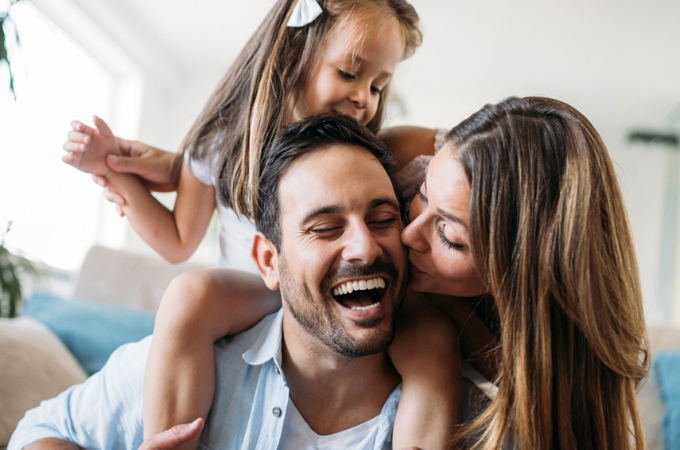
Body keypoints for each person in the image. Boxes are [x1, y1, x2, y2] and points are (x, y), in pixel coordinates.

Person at [61, 2, 462, 449]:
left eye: (378, 85)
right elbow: (177, 240)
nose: (364, 97)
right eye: (349, 74)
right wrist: (118, 174)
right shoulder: (223, 145)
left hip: (340, 303)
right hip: (256, 292)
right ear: (294, 53)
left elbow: (464, 155)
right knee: (191, 294)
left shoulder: (375, 154)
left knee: (434, 338)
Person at [11, 114, 459, 450]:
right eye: (325, 228)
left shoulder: (454, 420)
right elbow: (36, 432)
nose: (365, 248)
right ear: (269, 260)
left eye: (383, 219)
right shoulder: (191, 366)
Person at [398, 96, 648, 449]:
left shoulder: (540, 422)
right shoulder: (416, 161)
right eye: (422, 195)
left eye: (450, 237)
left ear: (518, 270)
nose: (408, 234)